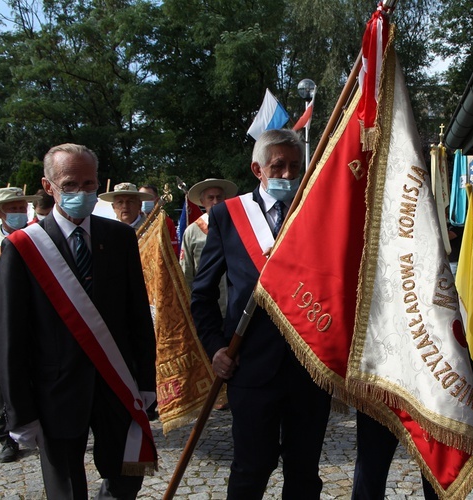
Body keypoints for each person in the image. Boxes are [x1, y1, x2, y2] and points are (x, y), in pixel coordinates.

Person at [0, 143, 157, 499]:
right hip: (56, 391)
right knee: (65, 488)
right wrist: (19, 413)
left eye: (88, 184)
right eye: (70, 184)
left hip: (117, 384)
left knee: (129, 476)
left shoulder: (120, 237)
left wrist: (146, 380)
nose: (80, 192)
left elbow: (137, 315)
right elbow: (9, 339)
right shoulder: (23, 247)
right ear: (48, 186)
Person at [191, 129, 331, 499]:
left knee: (304, 472)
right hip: (250, 367)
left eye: (294, 167)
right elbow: (202, 295)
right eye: (278, 166)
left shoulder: (317, 212)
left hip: (309, 368)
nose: (287, 175)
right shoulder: (227, 215)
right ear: (258, 168)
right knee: (252, 468)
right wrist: (216, 348)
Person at [0, 187, 41, 463]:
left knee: (39, 373)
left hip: (35, 319)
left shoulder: (37, 236)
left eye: (21, 207)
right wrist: (6, 291)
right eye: (12, 208)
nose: (17, 212)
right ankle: (7, 438)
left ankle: (40, 428)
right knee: (5, 381)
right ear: (1, 212)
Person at [180, 177, 238, 317]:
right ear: (202, 202)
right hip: (207, 307)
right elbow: (186, 272)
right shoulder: (192, 232)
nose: (216, 202)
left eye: (219, 197)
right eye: (210, 198)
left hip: (237, 305)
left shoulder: (237, 227)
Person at [139, 184, 179, 256]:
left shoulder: (165, 222)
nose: (144, 202)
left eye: (149, 198)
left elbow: (173, 251)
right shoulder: (132, 221)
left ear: (157, 200)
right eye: (142, 198)